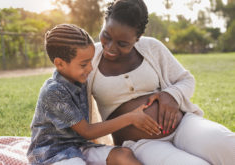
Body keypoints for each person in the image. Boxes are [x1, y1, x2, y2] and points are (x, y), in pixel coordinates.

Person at [87, 0, 235, 164]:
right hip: (141, 144)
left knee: (228, 144)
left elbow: (185, 80)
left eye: (122, 44)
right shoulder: (88, 60)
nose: (111, 47)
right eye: (106, 36)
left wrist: (171, 95)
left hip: (183, 126)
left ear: (138, 38)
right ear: (104, 23)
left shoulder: (152, 47)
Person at [27, 24, 162, 165]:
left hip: (79, 146)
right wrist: (131, 118)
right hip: (52, 153)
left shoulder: (79, 80)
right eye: (84, 64)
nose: (90, 68)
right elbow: (87, 131)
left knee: (123, 154)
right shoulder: (54, 92)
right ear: (60, 64)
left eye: (91, 61)